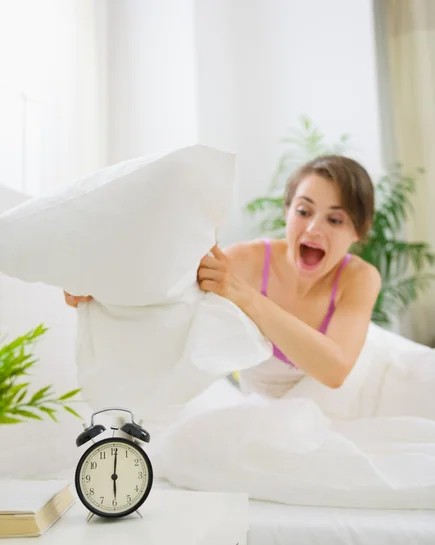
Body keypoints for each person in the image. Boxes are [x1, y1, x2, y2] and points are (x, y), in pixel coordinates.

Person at [65, 155, 381, 397]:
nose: (313, 228)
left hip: (335, 407)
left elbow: (335, 370)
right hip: (259, 412)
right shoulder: (247, 260)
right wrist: (100, 284)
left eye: (335, 220)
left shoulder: (359, 278)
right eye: (303, 211)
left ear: (358, 231)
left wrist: (245, 295)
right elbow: (166, 281)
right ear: (286, 211)